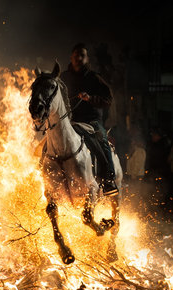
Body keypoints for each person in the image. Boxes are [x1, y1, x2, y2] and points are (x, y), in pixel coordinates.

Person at [60, 43, 118, 196]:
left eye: (82, 55)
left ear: (87, 58)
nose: (78, 58)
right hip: (69, 120)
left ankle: (108, 180)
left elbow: (108, 99)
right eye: (75, 55)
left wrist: (91, 98)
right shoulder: (64, 77)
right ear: (71, 58)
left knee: (102, 141)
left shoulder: (94, 78)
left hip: (91, 121)